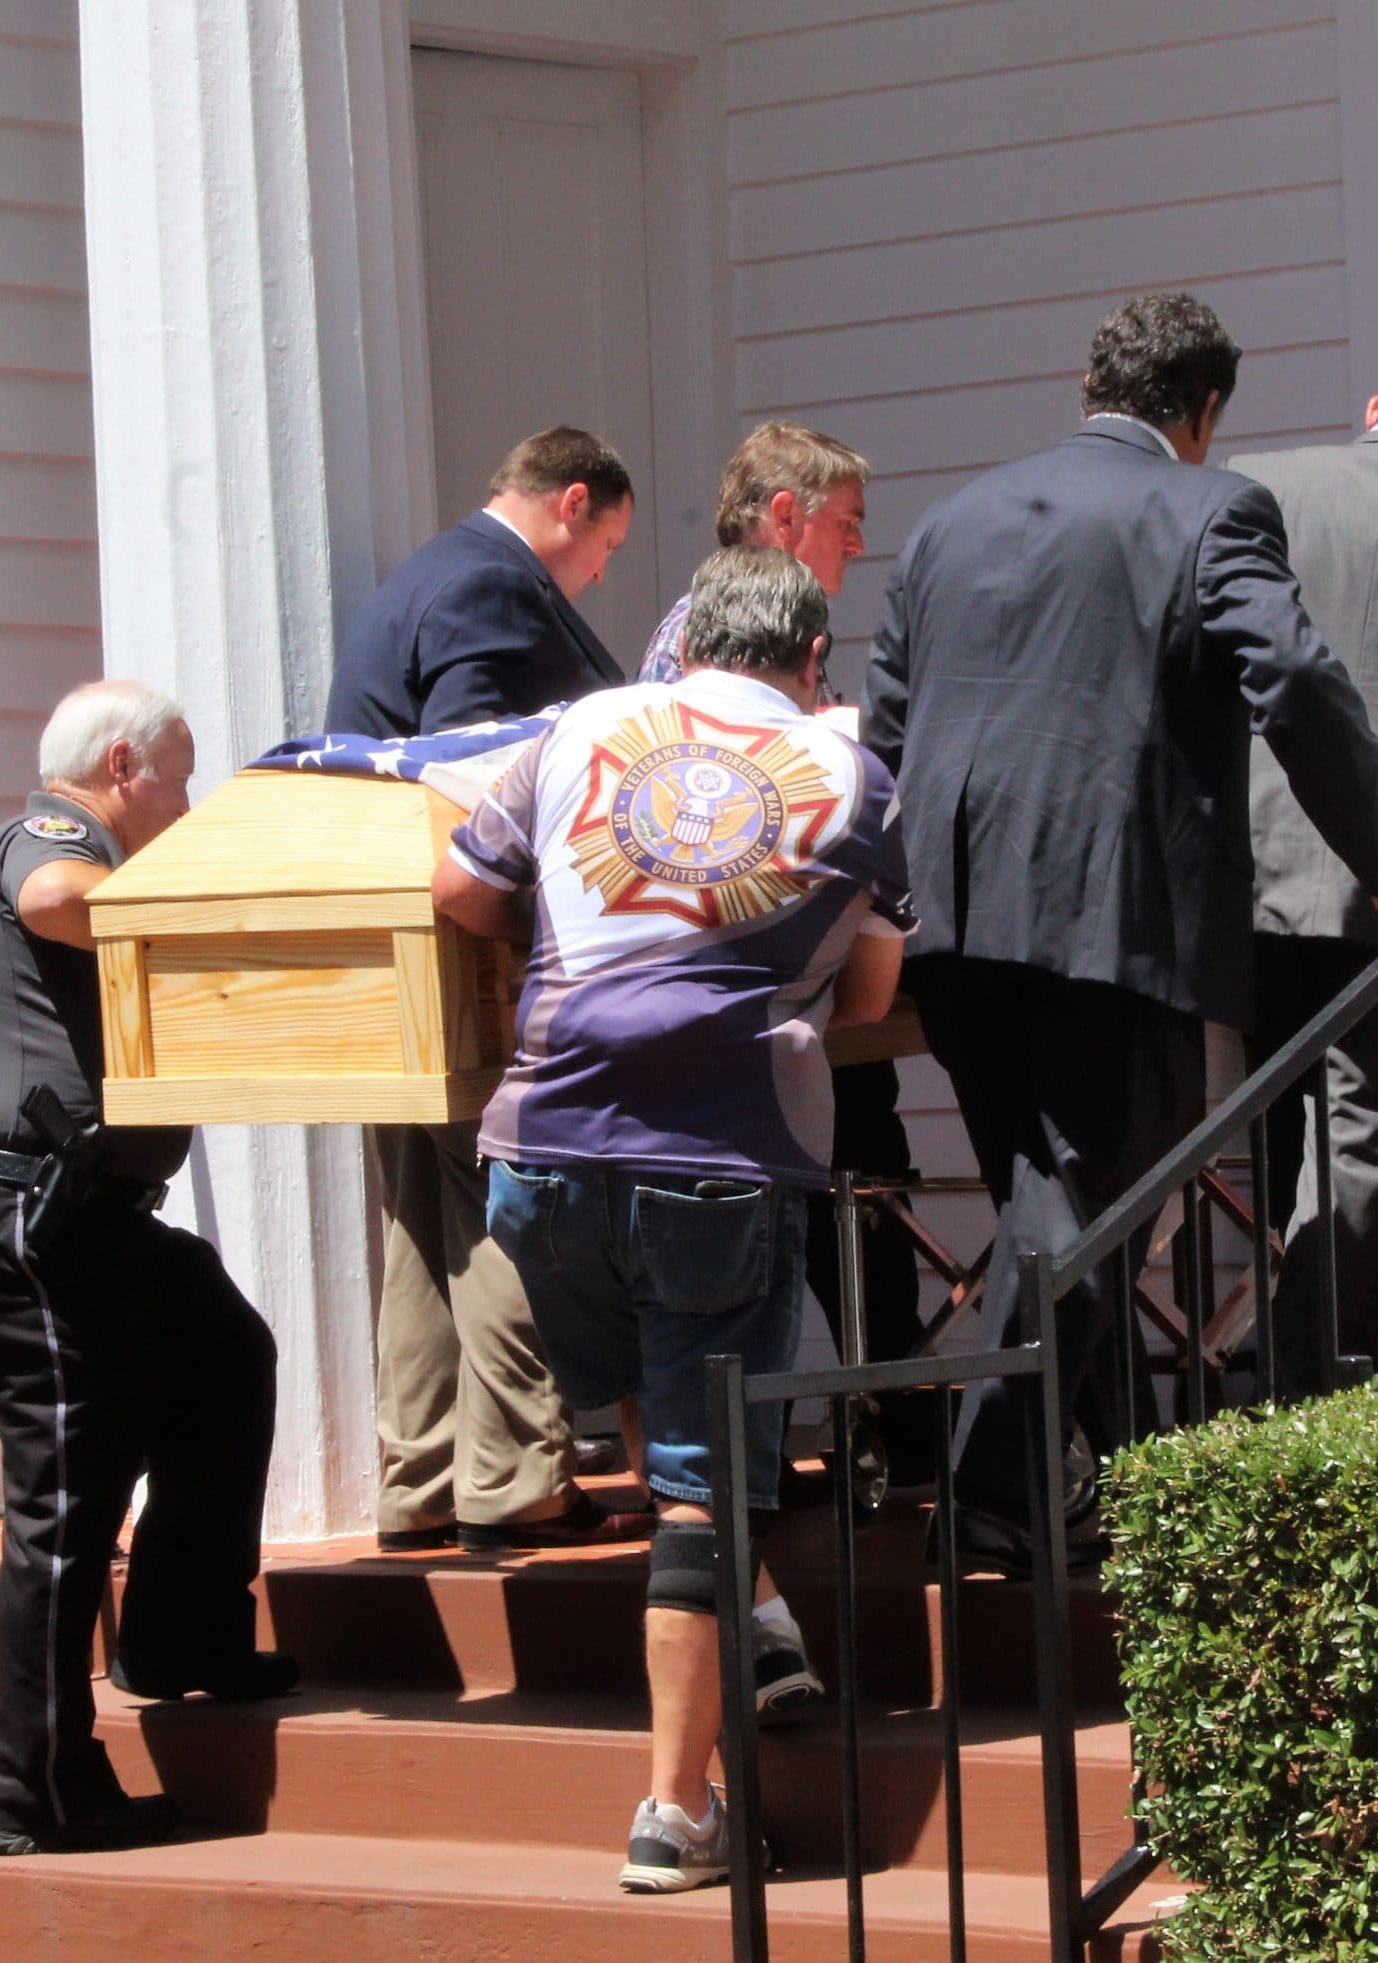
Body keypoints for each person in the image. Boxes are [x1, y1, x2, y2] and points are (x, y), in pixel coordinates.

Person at [864, 292, 1378, 1578]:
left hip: (953, 917)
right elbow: (1294, 679)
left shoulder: (951, 519)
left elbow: (883, 731)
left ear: (1088, 386)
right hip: (1106, 915)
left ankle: (1107, 1479)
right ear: (1204, 409)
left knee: (1048, 1206)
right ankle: (991, 1490)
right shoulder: (1209, 509)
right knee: (1086, 1206)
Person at [437, 545, 915, 1893]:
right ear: (812, 658)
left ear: (688, 639)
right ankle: (672, 1808)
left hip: (540, 1155)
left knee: (663, 1421)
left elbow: (460, 889)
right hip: (716, 1154)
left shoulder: (577, 728)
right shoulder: (853, 777)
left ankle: (755, 1624)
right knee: (705, 1488)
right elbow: (871, 997)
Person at [0, 679, 291, 1857]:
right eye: (176, 779)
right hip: (31, 1217)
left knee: (225, 1353)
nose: (182, 804)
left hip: (97, 1219)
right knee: (69, 1496)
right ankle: (37, 1791)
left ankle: (180, 1637)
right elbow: (54, 898)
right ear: (123, 767)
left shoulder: (94, 846)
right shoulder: (50, 835)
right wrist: (194, 901)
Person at [326, 426, 643, 1553]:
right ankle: (514, 1477)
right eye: (607, 545)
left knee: (422, 1222)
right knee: (510, 1203)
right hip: (463, 963)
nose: (600, 571)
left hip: (398, 961)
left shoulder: (427, 575)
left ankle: (421, 1476)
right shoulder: (490, 587)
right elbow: (472, 766)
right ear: (572, 502)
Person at [641, 423, 934, 1487]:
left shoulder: (777, 629)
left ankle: (890, 1426)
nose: (857, 545)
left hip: (806, 980)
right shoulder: (703, 636)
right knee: (833, 1213)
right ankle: (873, 1436)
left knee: (865, 1194)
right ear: (783, 516)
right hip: (761, 995)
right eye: (846, 523)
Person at [1237, 355, 1378, 1390]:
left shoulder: (1263, 485)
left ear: (1372, 408)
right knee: (1360, 1120)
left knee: (1279, 1123)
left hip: (1257, 857)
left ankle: (1310, 1351)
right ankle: (1317, 1374)